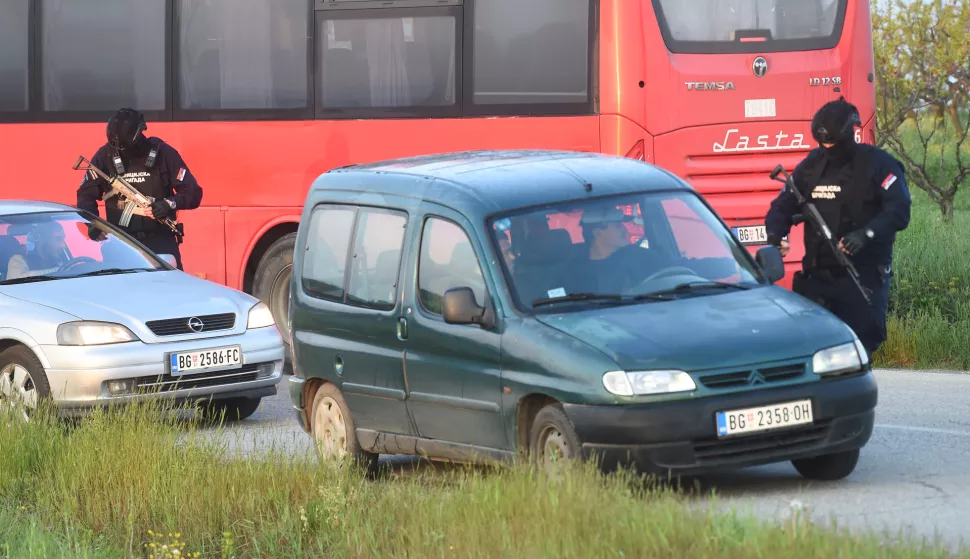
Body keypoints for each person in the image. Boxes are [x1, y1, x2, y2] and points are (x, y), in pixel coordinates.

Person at [764, 97, 911, 359]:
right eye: (823, 143)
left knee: (857, 353)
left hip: (862, 277)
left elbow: (899, 211)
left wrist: (865, 235)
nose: (828, 148)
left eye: (833, 143)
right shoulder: (812, 166)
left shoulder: (879, 164)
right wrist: (776, 235)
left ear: (850, 133)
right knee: (812, 356)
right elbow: (781, 207)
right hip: (817, 280)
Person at [76, 108, 202, 270]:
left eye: (126, 148)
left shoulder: (163, 154)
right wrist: (93, 224)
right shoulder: (105, 155)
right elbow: (85, 196)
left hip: (159, 242)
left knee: (169, 293)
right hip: (120, 244)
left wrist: (168, 204)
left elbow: (193, 193)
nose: (122, 153)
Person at [5, 222, 69, 280]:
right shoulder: (18, 259)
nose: (63, 246)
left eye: (63, 239)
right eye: (58, 239)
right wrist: (61, 270)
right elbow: (17, 279)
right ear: (42, 240)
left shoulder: (59, 260)